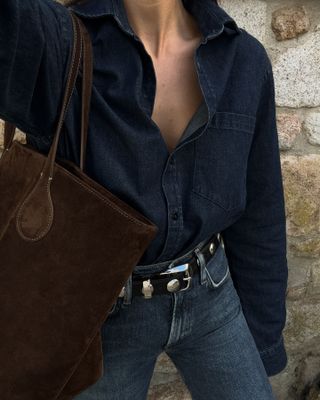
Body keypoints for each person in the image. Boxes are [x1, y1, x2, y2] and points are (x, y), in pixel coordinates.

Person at [0, 0, 288, 398]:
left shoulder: (243, 60)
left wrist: (263, 342)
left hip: (211, 291)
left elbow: (261, 212)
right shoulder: (59, 45)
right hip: (100, 314)